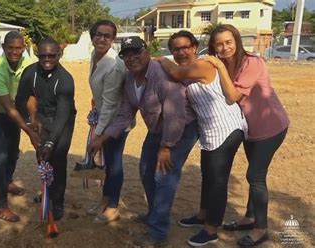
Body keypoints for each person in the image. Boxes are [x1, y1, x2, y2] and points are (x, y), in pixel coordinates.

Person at [90, 36, 198, 246]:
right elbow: (124, 115)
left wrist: (166, 147)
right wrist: (101, 138)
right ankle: (153, 214)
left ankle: (158, 233)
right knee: (146, 169)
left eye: (136, 52)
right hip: (158, 127)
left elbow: (175, 115)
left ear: (147, 51)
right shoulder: (131, 79)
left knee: (163, 175)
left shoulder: (160, 75)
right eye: (126, 55)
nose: (132, 58)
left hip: (181, 127)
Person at [202, 24, 289, 247]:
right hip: (250, 128)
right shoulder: (227, 63)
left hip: (270, 127)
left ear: (237, 41)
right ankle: (250, 218)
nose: (224, 47)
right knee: (255, 174)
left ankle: (261, 229)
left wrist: (219, 67)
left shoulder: (252, 62)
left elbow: (232, 96)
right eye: (219, 44)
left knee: (255, 176)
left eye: (228, 42)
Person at [158, 30, 248, 246]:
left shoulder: (204, 65)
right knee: (208, 175)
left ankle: (211, 230)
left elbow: (177, 75)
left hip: (227, 128)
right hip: (210, 132)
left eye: (185, 47)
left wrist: (161, 59)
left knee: (217, 181)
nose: (181, 52)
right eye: (176, 49)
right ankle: (202, 215)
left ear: (195, 47)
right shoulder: (190, 68)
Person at [16, 37, 76, 221]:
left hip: (62, 120)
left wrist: (51, 142)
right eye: (43, 56)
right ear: (37, 55)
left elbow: (62, 115)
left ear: (59, 55)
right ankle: (47, 193)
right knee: (42, 157)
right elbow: (20, 100)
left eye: (52, 55)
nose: (47, 59)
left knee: (57, 157)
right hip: (41, 118)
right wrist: (29, 124)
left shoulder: (65, 80)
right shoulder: (30, 73)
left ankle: (57, 201)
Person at [0, 31, 40, 222]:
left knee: (13, 152)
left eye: (18, 48)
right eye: (10, 48)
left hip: (16, 111)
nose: (15, 52)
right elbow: (7, 107)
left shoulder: (27, 63)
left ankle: (7, 181)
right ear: (3, 48)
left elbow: (33, 92)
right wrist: (30, 131)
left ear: (23, 47)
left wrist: (32, 119)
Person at [83, 20, 128, 223]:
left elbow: (111, 105)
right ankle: (104, 200)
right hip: (103, 116)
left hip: (116, 121)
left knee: (114, 164)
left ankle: (112, 206)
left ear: (113, 39)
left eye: (107, 36)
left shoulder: (114, 66)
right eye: (98, 34)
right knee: (108, 164)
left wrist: (98, 134)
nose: (102, 39)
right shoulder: (95, 55)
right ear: (92, 36)